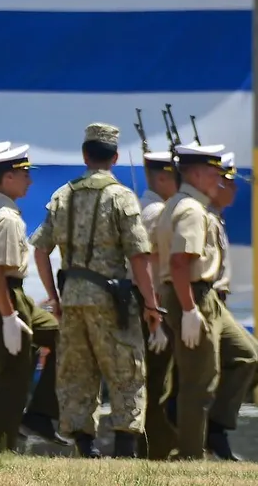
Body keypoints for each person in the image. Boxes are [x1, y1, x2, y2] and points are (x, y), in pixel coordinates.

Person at [30, 123, 161, 458]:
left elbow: (40, 249)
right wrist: (150, 303)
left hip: (72, 298)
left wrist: (54, 298)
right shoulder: (122, 197)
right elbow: (138, 253)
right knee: (126, 369)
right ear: (115, 157)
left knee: (77, 371)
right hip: (112, 300)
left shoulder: (63, 195)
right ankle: (124, 445)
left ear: (85, 155)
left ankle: (84, 445)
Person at [154, 142, 257, 460]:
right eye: (214, 173)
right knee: (200, 378)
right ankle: (189, 453)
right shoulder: (190, 210)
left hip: (205, 294)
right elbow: (180, 263)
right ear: (197, 173)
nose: (220, 180)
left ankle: (214, 427)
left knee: (245, 354)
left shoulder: (189, 206)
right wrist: (188, 310)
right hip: (193, 295)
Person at [0, 144, 60, 453]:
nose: (29, 181)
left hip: (6, 294)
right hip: (5, 294)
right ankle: (1, 446)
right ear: (8, 177)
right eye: (24, 175)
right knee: (14, 376)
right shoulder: (6, 218)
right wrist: (8, 316)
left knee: (63, 335)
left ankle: (41, 415)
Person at [202, 151, 258, 460]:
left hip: (217, 303)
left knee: (249, 357)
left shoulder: (215, 215)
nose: (235, 189)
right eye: (229, 183)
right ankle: (209, 433)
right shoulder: (201, 214)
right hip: (202, 301)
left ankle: (217, 429)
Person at [137, 149, 179, 460]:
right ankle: (154, 449)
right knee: (155, 382)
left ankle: (154, 447)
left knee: (154, 380)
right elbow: (148, 262)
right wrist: (154, 312)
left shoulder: (153, 207)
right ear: (162, 177)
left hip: (152, 304)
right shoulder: (155, 212)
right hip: (155, 306)